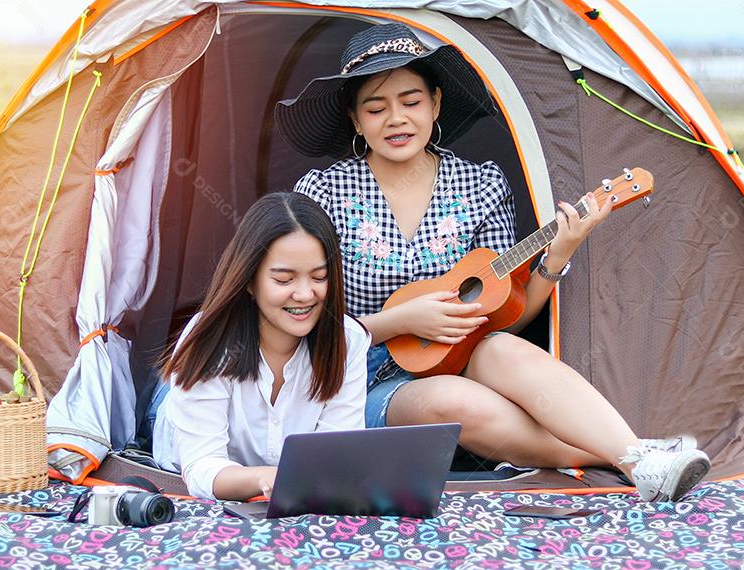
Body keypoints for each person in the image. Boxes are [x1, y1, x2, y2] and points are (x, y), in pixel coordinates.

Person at [275, 23, 710, 502]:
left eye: (411, 102)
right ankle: (627, 455)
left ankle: (641, 462)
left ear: (436, 104)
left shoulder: (480, 185)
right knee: (453, 401)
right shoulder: (322, 193)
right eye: (376, 108)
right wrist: (398, 321)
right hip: (354, 377)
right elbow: (297, 317)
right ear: (356, 120)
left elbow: (507, 316)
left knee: (503, 348)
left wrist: (558, 254)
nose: (396, 119)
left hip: (459, 357)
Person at [150, 192, 370, 501]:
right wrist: (266, 479)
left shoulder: (349, 340)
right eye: (284, 280)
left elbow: (335, 454)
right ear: (250, 281)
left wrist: (292, 479)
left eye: (319, 277)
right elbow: (201, 467)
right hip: (177, 419)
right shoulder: (210, 338)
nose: (305, 294)